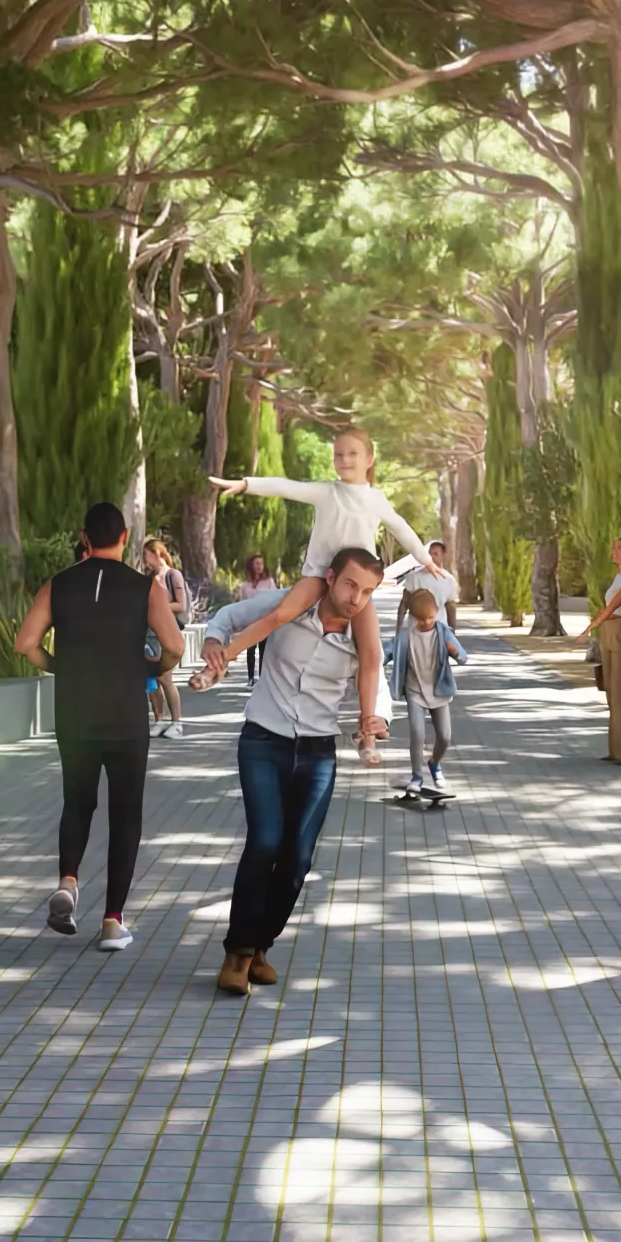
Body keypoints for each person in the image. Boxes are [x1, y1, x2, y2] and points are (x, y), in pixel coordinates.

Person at [191, 546, 389, 997]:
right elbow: (228, 616)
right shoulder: (288, 606)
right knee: (264, 842)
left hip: (319, 752)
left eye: (367, 592)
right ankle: (237, 953)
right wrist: (213, 641)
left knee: (298, 857)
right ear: (332, 577)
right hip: (263, 739)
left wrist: (380, 720)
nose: (357, 597)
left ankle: (261, 946)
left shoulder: (364, 635)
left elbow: (377, 681)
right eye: (350, 584)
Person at [209, 427, 449, 765]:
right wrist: (248, 484)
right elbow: (287, 487)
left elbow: (401, 528)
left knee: (372, 656)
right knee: (279, 614)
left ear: (369, 459)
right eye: (339, 454)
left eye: (352, 454)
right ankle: (225, 658)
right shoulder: (326, 492)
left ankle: (366, 735)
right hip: (320, 576)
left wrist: (426, 560)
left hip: (355, 581)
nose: (344, 460)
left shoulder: (375, 499)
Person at [13, 502, 186, 952]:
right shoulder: (144, 587)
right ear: (125, 537)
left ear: (84, 538)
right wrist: (153, 664)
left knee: (78, 801)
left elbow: (24, 643)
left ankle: (68, 882)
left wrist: (59, 667)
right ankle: (112, 922)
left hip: (74, 712)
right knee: (125, 813)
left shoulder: (58, 585)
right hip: (126, 715)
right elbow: (174, 646)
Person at [388, 587, 468, 803]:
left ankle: (434, 763)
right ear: (413, 618)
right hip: (414, 691)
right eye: (422, 620)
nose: (427, 622)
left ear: (436, 613)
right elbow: (384, 652)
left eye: (431, 617)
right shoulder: (406, 637)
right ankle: (417, 777)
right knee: (417, 733)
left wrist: (455, 652)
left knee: (445, 737)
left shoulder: (443, 632)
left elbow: (463, 657)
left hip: (438, 690)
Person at [572, 536, 621, 765]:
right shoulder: (620, 577)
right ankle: (614, 751)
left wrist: (589, 628)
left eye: (619, 548)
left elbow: (613, 607)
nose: (614, 552)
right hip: (609, 632)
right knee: (611, 691)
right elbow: (609, 609)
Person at [140, 537, 190, 739]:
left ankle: (177, 722)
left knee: (166, 678)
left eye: (146, 554)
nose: (145, 559)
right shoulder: (149, 577)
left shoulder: (173, 575)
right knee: (151, 679)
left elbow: (181, 605)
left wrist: (157, 608)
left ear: (156, 553)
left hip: (165, 632)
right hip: (147, 633)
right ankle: (159, 719)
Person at [238, 553, 279, 684]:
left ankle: (262, 678)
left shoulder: (269, 583)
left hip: (265, 620)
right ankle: (250, 678)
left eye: (261, 564)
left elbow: (275, 599)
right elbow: (241, 604)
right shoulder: (245, 586)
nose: (259, 566)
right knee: (250, 650)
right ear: (251, 566)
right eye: (257, 564)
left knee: (263, 650)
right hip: (250, 621)